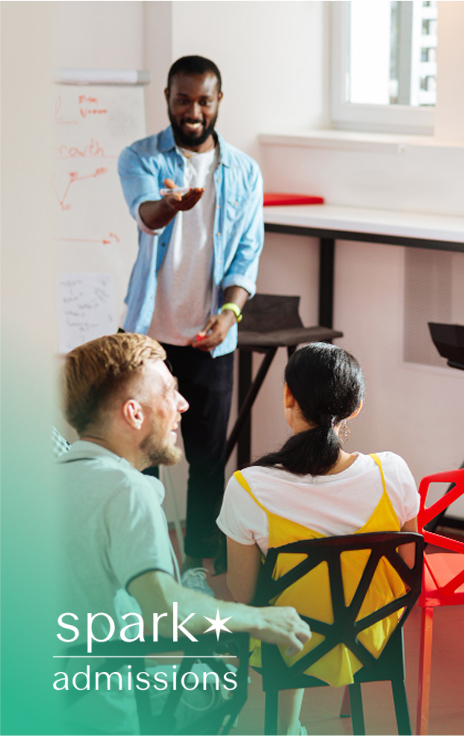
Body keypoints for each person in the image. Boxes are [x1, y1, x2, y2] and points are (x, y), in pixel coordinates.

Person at [57, 333, 311, 733]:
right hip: (101, 712)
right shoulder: (127, 490)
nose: (183, 404)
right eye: (169, 391)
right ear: (134, 413)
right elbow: (163, 611)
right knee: (222, 686)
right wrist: (254, 619)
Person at [217, 343, 420, 736]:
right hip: (369, 636)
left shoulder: (249, 487)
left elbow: (244, 593)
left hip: (289, 646)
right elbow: (408, 569)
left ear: (288, 397)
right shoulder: (391, 473)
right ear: (356, 407)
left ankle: (288, 726)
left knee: (284, 608)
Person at [117, 55, 264, 588]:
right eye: (184, 100)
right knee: (145, 456)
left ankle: (202, 569)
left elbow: (247, 255)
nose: (194, 111)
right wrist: (170, 204)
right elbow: (146, 216)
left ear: (219, 101)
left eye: (204, 100)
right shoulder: (140, 158)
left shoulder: (245, 172)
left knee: (206, 461)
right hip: (148, 338)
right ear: (168, 99)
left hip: (210, 342)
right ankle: (148, 565)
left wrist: (230, 314)